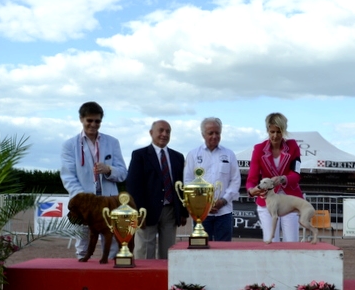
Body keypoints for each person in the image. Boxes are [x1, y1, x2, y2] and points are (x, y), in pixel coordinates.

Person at [60, 101, 128, 260]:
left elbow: (123, 173)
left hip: (109, 202)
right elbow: (68, 176)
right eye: (89, 120)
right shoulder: (69, 145)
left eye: (97, 121)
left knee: (113, 243)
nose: (93, 124)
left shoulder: (112, 142)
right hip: (83, 204)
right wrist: (85, 200)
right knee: (83, 243)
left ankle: (111, 274)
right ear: (81, 119)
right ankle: (82, 273)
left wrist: (109, 170)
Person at [126, 120, 188, 259]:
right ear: (151, 133)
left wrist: (183, 211)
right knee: (145, 251)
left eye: (168, 131)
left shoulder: (177, 157)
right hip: (146, 211)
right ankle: (143, 279)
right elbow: (133, 185)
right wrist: (139, 211)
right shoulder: (139, 155)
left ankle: (165, 279)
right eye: (161, 130)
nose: (164, 134)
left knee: (168, 252)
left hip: (171, 211)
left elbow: (181, 185)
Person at [246, 112, 304, 242]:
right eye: (272, 131)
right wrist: (251, 190)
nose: (275, 136)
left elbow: (296, 174)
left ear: (284, 131)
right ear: (267, 130)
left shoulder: (293, 146)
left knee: (292, 242)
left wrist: (284, 179)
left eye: (279, 132)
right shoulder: (259, 149)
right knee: (271, 241)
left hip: (289, 201)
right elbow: (252, 179)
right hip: (267, 201)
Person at [183, 117, 241, 241]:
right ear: (203, 134)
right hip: (201, 213)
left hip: (224, 212)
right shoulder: (193, 155)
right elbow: (188, 181)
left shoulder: (229, 154)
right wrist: (204, 204)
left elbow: (235, 180)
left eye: (217, 133)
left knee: (224, 250)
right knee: (201, 249)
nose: (214, 136)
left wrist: (223, 201)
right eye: (211, 133)